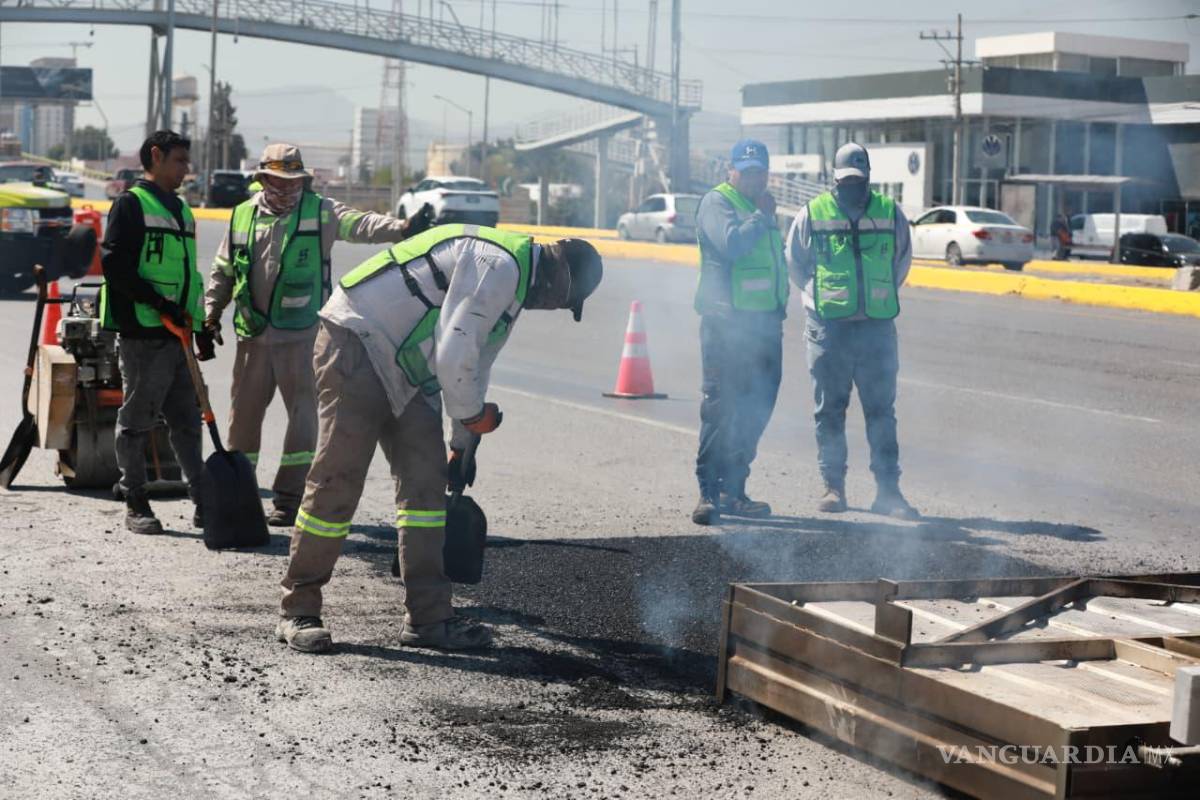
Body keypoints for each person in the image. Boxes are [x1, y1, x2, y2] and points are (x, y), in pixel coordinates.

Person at [276, 225, 603, 653]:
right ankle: (298, 609)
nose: (553, 307)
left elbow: (475, 366)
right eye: (562, 300)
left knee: (426, 489)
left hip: (409, 367)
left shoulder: (512, 290)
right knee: (337, 480)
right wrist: (473, 415)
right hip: (359, 339)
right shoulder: (498, 266)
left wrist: (461, 444)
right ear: (560, 276)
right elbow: (454, 356)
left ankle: (428, 619)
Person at [203, 143, 434, 526]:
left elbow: (360, 224)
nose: (287, 189)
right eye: (279, 181)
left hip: (302, 337)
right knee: (242, 421)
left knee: (304, 421)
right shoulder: (242, 215)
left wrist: (402, 229)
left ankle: (289, 498)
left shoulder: (320, 211)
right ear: (263, 179)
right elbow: (224, 269)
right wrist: (211, 314)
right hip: (253, 337)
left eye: (294, 182)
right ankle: (240, 494)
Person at [785, 142, 918, 520]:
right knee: (830, 411)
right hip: (829, 329)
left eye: (858, 181)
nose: (852, 187)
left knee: (881, 412)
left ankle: (888, 492)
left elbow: (901, 261)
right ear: (834, 179)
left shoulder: (890, 213)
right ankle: (833, 487)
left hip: (876, 328)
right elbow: (795, 262)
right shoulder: (812, 212)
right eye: (846, 181)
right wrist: (818, 297)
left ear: (868, 178)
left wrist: (876, 297)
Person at [99, 130, 207, 535]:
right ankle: (135, 500)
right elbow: (116, 267)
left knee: (188, 421)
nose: (185, 169)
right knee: (137, 421)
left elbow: (189, 276)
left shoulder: (182, 209)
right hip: (144, 333)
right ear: (156, 156)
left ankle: (204, 501)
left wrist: (200, 325)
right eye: (179, 161)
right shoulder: (131, 205)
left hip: (178, 334)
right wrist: (160, 305)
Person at [691, 138, 788, 526]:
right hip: (726, 327)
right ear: (730, 171)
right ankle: (708, 493)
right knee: (720, 409)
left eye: (759, 172)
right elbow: (731, 244)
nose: (753, 179)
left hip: (764, 329)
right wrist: (761, 217)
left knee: (756, 409)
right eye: (746, 172)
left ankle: (733, 489)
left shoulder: (762, 208)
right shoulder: (719, 202)